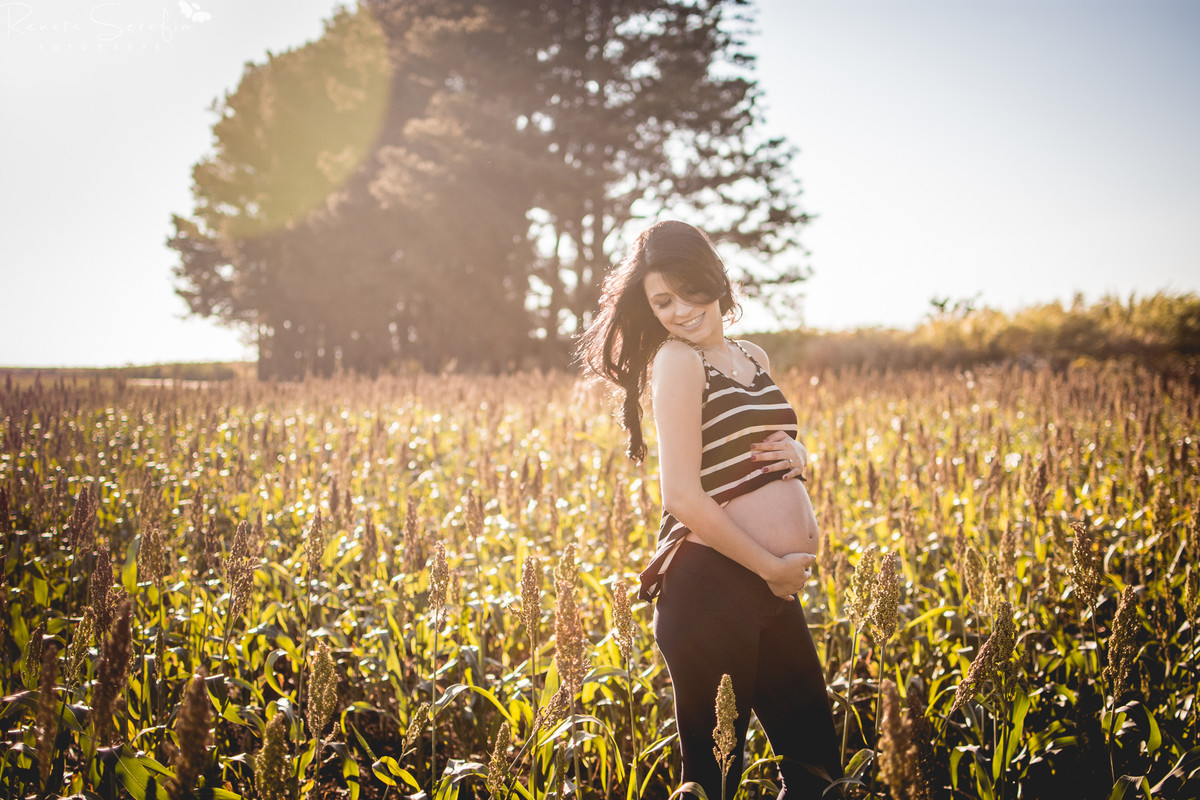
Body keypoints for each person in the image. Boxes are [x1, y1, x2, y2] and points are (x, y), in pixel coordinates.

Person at [577, 220, 843, 799]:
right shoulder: (677, 361)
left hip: (768, 589)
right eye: (661, 301)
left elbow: (759, 451)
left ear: (714, 279)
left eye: (687, 290)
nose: (678, 310)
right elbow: (681, 497)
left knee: (818, 771)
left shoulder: (753, 355)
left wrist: (799, 451)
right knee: (713, 780)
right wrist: (770, 567)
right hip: (710, 587)